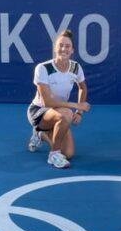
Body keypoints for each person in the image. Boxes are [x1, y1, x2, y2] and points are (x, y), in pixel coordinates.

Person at [26, 30, 90, 169]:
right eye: (61, 45)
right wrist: (76, 107)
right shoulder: (43, 68)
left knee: (69, 153)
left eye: (67, 46)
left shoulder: (75, 67)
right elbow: (48, 102)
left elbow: (83, 88)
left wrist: (79, 113)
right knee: (67, 113)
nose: (64, 49)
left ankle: (40, 134)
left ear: (72, 50)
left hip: (59, 112)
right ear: (55, 48)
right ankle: (53, 155)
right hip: (40, 112)